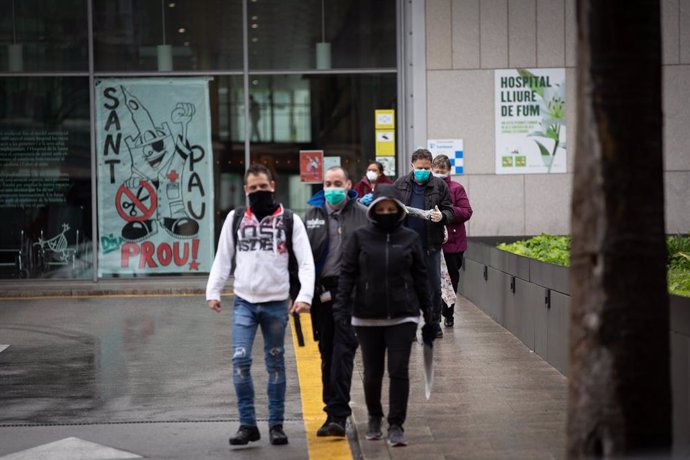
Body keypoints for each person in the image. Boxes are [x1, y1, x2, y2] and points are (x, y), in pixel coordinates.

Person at [206, 164, 315, 447]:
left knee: (276, 365)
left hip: (277, 304)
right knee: (240, 362)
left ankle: (276, 426)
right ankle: (247, 425)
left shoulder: (290, 220)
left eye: (263, 187)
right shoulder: (235, 218)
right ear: (245, 190)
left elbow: (305, 262)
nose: (258, 192)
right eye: (253, 188)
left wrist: (304, 296)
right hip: (244, 302)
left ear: (273, 186)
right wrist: (213, 291)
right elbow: (223, 257)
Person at [332, 184, 436, 447]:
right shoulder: (359, 237)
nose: (387, 212)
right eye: (382, 209)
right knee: (372, 372)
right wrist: (341, 310)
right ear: (373, 210)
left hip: (403, 315)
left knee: (399, 370)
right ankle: (375, 418)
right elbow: (347, 274)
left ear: (399, 210)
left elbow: (422, 279)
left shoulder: (410, 238)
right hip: (367, 316)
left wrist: (430, 317)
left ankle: (396, 424)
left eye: (391, 208)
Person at [303, 165, 368, 437]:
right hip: (323, 295)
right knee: (327, 354)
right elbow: (301, 259)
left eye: (337, 183)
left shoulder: (363, 216)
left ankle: (338, 415)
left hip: (351, 294)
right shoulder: (311, 217)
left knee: (343, 352)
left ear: (348, 184)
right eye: (328, 183)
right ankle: (332, 410)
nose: (332, 188)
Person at [393, 148, 454, 337]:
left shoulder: (439, 185)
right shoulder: (400, 184)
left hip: (430, 245)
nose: (423, 171)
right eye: (419, 167)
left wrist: (441, 216)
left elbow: (450, 210)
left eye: (427, 168)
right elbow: (390, 207)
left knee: (434, 288)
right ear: (412, 166)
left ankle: (434, 323)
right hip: (405, 246)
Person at [432, 154, 473, 327]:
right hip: (433, 242)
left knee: (452, 279)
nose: (439, 173)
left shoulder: (457, 188)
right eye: (437, 170)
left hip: (453, 244)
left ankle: (448, 312)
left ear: (448, 171)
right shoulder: (428, 188)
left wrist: (446, 213)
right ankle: (435, 316)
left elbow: (466, 211)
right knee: (433, 281)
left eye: (443, 171)